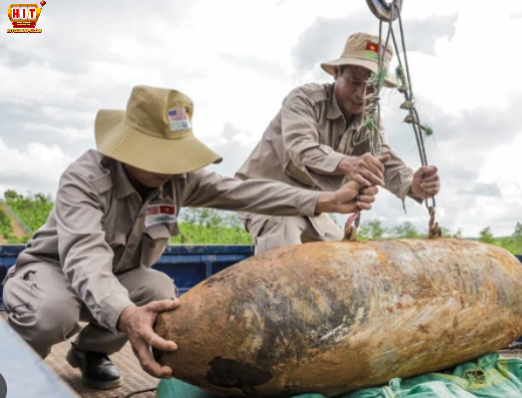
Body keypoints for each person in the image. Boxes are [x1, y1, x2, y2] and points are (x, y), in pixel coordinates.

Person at [0, 84, 378, 390]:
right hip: (57, 272)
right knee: (53, 312)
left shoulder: (177, 180)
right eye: (161, 157)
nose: (172, 168)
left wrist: (327, 200)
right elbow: (84, 258)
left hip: (118, 275)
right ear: (129, 148)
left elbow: (246, 192)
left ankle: (90, 352)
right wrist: (127, 314)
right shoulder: (84, 179)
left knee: (161, 292)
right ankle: (10, 365)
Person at [235, 32, 441, 253]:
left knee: (351, 258)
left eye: (372, 88)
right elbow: (302, 149)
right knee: (283, 234)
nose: (362, 94)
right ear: (336, 73)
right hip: (265, 196)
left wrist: (412, 185)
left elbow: (383, 159)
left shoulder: (368, 120)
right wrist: (349, 164)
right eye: (354, 82)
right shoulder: (304, 100)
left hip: (311, 207)